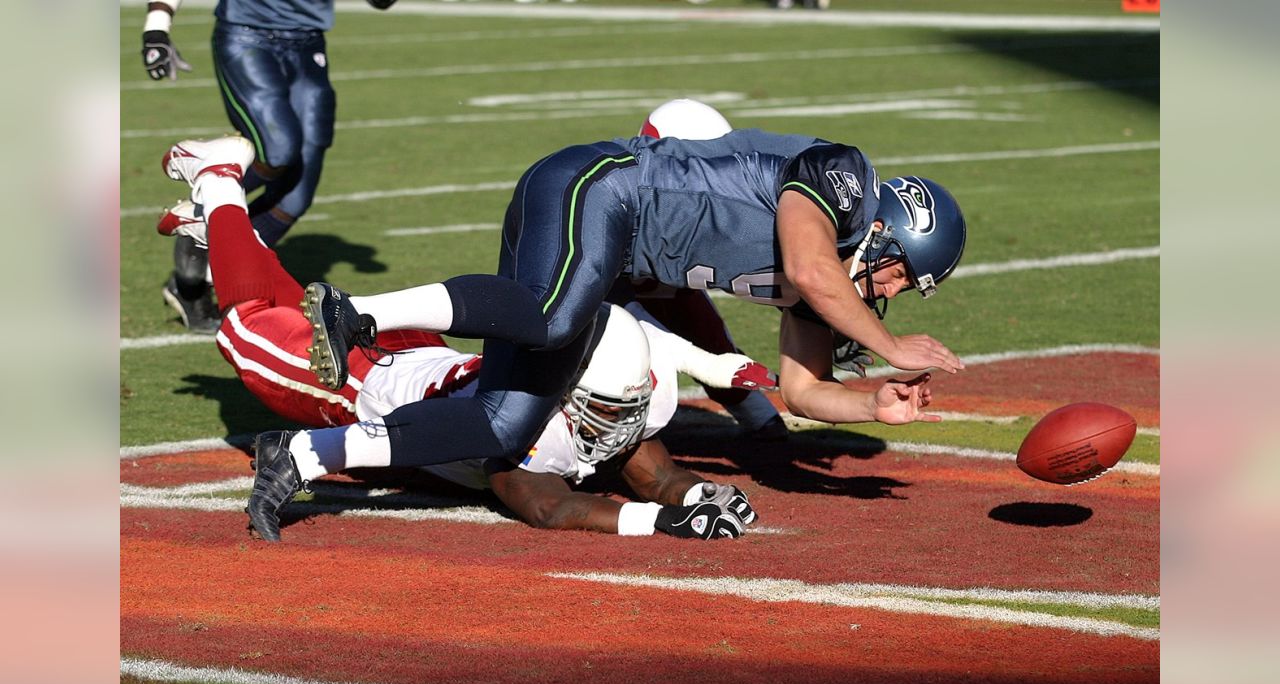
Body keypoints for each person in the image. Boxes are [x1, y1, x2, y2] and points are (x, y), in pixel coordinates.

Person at [180, 126, 962, 536]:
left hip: (616, 249)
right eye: (899, 274)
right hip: (601, 188)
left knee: (505, 421)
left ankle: (306, 456)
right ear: (889, 231)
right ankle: (366, 314)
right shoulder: (843, 179)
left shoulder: (816, 282)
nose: (890, 293)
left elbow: (801, 389)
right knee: (553, 316)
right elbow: (815, 265)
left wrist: (872, 404)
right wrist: (893, 348)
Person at [140, 0, 398, 333]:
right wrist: (157, 27)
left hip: (309, 42)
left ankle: (200, 265)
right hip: (248, 38)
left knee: (296, 196)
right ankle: (208, 206)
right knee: (278, 149)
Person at [629, 99, 790, 442]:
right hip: (590, 309)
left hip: (656, 288)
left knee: (687, 311)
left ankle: (754, 412)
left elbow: (698, 317)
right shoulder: (622, 203)